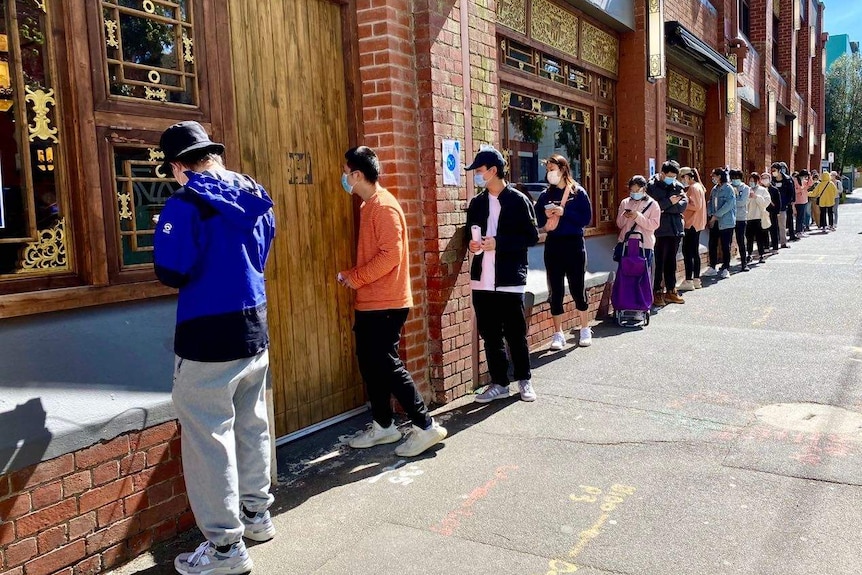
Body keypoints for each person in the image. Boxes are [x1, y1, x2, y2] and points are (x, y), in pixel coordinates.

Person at [154, 121, 276, 575]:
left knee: (209, 438)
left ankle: (225, 549)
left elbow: (172, 271)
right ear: (213, 155)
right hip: (253, 322)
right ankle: (256, 515)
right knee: (251, 423)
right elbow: (261, 253)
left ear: (177, 166)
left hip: (207, 332)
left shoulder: (184, 204)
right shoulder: (256, 195)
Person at [339, 146, 447, 456]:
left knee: (386, 364)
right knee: (371, 365)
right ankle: (384, 425)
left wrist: (355, 277)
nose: (344, 179)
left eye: (346, 173)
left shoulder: (384, 206)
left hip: (386, 304)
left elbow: (390, 256)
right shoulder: (369, 206)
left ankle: (425, 427)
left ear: (358, 175)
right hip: (371, 302)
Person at [466, 147, 540, 402]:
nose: (477, 175)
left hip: (509, 278)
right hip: (481, 278)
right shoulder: (476, 203)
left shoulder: (518, 200)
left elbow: (531, 236)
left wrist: (499, 242)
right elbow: (469, 233)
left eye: (479, 170)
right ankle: (499, 383)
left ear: (493, 171)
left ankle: (524, 379)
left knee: (515, 333)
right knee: (490, 335)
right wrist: (472, 245)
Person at [535, 154, 593, 351]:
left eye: (552, 169)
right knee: (556, 289)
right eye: (548, 169)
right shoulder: (545, 195)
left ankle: (585, 327)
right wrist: (546, 214)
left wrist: (564, 212)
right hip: (553, 244)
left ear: (563, 169)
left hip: (574, 244)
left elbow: (586, 218)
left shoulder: (578, 193)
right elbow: (538, 221)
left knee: (578, 287)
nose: (549, 173)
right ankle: (557, 333)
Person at [616, 175, 661, 322]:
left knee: (643, 277)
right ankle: (626, 304)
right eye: (632, 190)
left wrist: (637, 216)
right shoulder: (625, 202)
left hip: (644, 245)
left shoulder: (653, 205)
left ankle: (641, 306)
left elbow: (653, 225)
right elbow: (619, 224)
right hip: (627, 244)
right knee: (626, 276)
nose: (635, 193)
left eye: (638, 190)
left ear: (644, 189)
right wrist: (625, 215)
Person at [646, 160, 688, 306]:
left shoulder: (678, 186)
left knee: (671, 262)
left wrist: (666, 206)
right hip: (659, 230)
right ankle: (657, 291)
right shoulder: (652, 186)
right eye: (669, 176)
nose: (672, 179)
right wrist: (670, 202)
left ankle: (671, 290)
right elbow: (653, 208)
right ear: (662, 174)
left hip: (675, 229)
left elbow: (683, 206)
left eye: (674, 176)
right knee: (659, 262)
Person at [702, 167, 736, 279]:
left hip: (726, 222)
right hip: (714, 221)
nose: (713, 178)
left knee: (726, 245)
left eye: (714, 176)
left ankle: (726, 267)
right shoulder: (714, 189)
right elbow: (710, 202)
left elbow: (729, 205)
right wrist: (711, 214)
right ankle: (712, 266)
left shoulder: (729, 189)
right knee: (712, 244)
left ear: (720, 176)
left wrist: (716, 215)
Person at [678, 167, 706, 291]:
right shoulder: (698, 187)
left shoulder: (693, 188)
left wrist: (681, 203)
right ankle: (696, 279)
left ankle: (689, 279)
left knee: (688, 252)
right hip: (697, 223)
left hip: (692, 223)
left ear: (687, 176)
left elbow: (696, 206)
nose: (682, 180)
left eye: (682, 177)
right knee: (694, 252)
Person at [746, 171, 772, 264]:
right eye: (750, 181)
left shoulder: (763, 190)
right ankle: (749, 254)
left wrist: (756, 197)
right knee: (749, 238)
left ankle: (761, 254)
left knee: (759, 238)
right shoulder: (747, 190)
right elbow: (744, 203)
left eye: (753, 181)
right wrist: (749, 198)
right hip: (749, 218)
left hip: (759, 217)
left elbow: (765, 203)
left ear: (758, 181)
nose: (751, 182)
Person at [729, 169, 750, 272]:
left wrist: (732, 200)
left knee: (741, 240)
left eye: (737, 178)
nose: (734, 180)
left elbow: (742, 202)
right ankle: (726, 264)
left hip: (741, 217)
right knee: (727, 241)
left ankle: (744, 263)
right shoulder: (728, 187)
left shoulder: (745, 188)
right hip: (729, 218)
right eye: (733, 178)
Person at [794, 169, 811, 238]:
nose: (806, 178)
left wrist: (810, 177)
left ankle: (801, 230)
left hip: (804, 200)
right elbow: (794, 190)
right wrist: (800, 189)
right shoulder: (795, 180)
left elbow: (810, 184)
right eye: (805, 176)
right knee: (799, 217)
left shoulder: (804, 181)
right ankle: (798, 231)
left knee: (802, 217)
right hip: (798, 201)